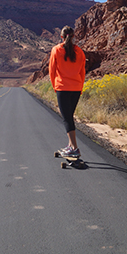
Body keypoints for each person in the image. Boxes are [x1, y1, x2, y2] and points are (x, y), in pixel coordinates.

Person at [48, 25, 86, 158]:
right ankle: (70, 146)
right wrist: (80, 88)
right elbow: (82, 72)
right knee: (69, 117)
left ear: (61, 37)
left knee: (67, 118)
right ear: (74, 36)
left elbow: (51, 71)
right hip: (76, 89)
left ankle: (75, 148)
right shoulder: (80, 52)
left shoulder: (56, 50)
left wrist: (55, 86)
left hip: (62, 88)